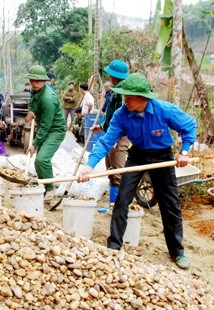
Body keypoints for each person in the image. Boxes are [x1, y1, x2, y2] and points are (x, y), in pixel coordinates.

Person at [77, 73, 197, 270]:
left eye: (130, 97)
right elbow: (107, 141)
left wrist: (184, 152)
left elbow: (189, 125)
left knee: (170, 204)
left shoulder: (163, 110)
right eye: (125, 96)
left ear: (144, 98)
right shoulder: (121, 115)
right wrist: (89, 166)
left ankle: (177, 251)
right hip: (137, 156)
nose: (126, 101)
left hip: (162, 157)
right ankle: (114, 246)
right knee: (122, 199)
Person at [90, 60, 131, 208]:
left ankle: (121, 206)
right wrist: (102, 126)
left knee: (118, 170)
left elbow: (122, 117)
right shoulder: (115, 90)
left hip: (120, 136)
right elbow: (112, 115)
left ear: (114, 75)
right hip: (112, 133)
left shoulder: (122, 92)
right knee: (111, 169)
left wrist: (116, 138)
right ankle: (113, 203)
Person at [25, 65, 66, 204]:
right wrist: (31, 111)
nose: (34, 83)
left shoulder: (48, 99)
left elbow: (46, 126)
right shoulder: (35, 90)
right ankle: (47, 186)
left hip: (55, 130)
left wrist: (34, 143)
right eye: (32, 80)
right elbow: (31, 101)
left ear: (44, 80)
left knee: (42, 159)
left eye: (37, 80)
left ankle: (51, 188)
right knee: (37, 162)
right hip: (45, 127)